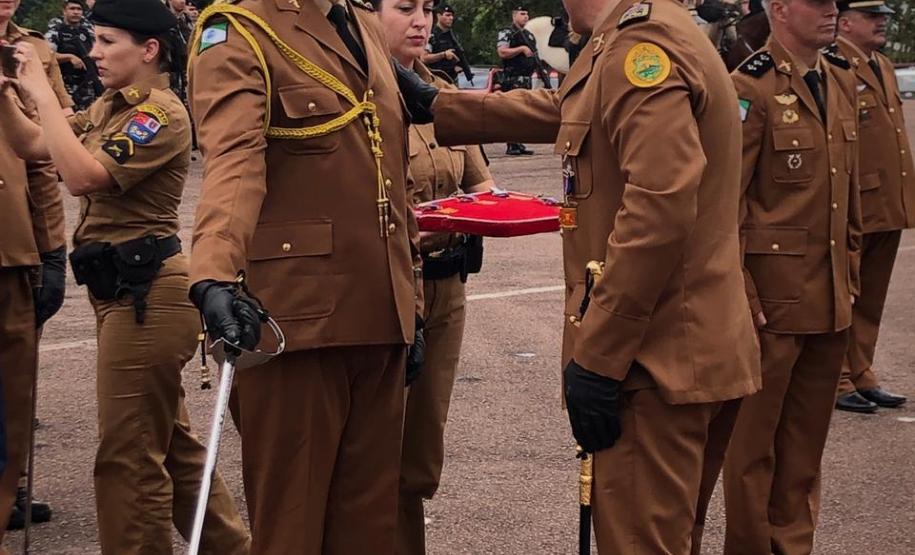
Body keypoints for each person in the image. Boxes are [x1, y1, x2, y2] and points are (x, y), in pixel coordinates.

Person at [397, 0, 761, 551]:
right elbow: (573, 109)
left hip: (652, 359)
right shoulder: (640, 35)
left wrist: (598, 357)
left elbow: (659, 207)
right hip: (690, 348)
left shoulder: (642, 48)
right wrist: (443, 106)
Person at [1, 0, 252, 552]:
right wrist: (5, 90)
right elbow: (32, 144)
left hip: (148, 296)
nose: (93, 52)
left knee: (129, 456)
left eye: (106, 41)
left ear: (149, 49)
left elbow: (84, 176)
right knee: (173, 446)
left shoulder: (158, 112)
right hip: (120, 293)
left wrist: (41, 90)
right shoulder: (112, 106)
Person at [188, 0, 425, 552]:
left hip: (380, 313)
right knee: (292, 528)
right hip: (297, 320)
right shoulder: (237, 29)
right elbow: (234, 160)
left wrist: (409, 304)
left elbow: (389, 170)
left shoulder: (363, 25)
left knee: (369, 528)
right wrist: (214, 275)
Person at [723, 0, 863, 552]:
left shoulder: (841, 78)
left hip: (829, 297)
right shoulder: (748, 87)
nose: (832, 11)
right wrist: (742, 291)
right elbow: (725, 204)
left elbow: (846, 196)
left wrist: (849, 274)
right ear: (779, 9)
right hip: (772, 304)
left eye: (836, 4)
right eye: (819, 3)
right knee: (754, 451)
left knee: (805, 450)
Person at [372, 1, 493, 553]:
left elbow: (480, 186)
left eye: (426, 8)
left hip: (448, 287)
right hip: (390, 289)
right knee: (377, 452)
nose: (420, 20)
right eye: (403, 8)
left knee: (419, 455)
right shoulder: (359, 101)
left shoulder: (441, 95)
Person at [0, 0, 75, 534]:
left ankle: (12, 487)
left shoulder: (32, 53)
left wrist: (50, 247)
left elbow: (43, 152)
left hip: (13, 244)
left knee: (13, 385)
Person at [832, 0, 910, 413]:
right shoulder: (834, 64)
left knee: (872, 298)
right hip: (854, 203)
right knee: (847, 293)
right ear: (845, 23)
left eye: (883, 17)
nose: (882, 23)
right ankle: (838, 377)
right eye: (873, 17)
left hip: (886, 202)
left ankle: (862, 372)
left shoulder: (879, 63)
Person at [45, 0, 100, 110]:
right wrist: (69, 57)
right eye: (72, 9)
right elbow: (46, 56)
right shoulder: (56, 31)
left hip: (88, 83)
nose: (76, 12)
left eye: (79, 9)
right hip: (65, 85)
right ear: (64, 11)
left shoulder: (88, 31)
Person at [497, 5, 536, 156]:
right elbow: (502, 52)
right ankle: (511, 144)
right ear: (514, 16)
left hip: (526, 78)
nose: (526, 16)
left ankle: (519, 142)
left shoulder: (528, 34)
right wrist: (520, 49)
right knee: (512, 111)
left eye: (527, 14)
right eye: (522, 13)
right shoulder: (507, 32)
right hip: (513, 78)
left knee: (522, 112)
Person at [422, 4, 472, 85]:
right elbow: (424, 58)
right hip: (436, 79)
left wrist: (457, 65)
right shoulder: (431, 35)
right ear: (439, 16)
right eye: (447, 15)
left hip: (452, 79)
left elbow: (457, 55)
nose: (451, 18)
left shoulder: (452, 36)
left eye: (452, 15)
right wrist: (443, 55)